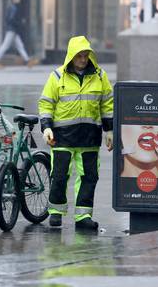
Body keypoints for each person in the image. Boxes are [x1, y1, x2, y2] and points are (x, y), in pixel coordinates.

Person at [38, 35, 114, 231]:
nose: (83, 59)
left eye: (86, 55)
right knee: (60, 175)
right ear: (71, 56)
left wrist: (110, 130)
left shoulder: (100, 76)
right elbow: (46, 103)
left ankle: (83, 216)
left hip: (89, 136)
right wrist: (46, 126)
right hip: (62, 136)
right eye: (79, 56)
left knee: (89, 176)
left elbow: (107, 104)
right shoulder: (57, 77)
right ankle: (55, 213)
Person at [0, 0, 38, 68]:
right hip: (12, 30)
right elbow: (11, 19)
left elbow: (9, 19)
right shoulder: (13, 8)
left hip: (13, 30)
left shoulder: (12, 7)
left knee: (20, 46)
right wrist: (20, 22)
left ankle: (28, 61)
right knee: (5, 46)